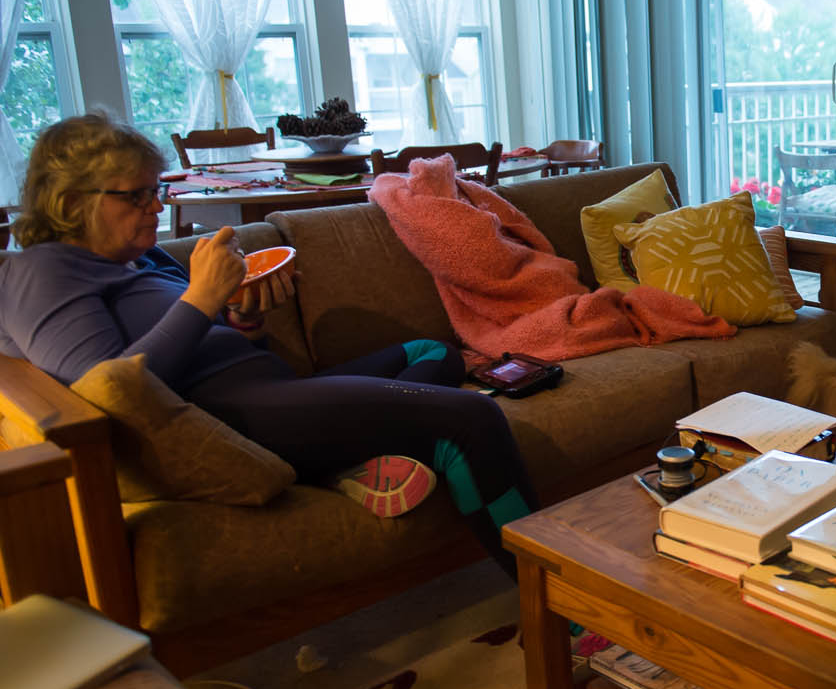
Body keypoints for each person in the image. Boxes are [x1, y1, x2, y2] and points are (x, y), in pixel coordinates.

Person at [0, 112, 535, 567]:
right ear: (70, 202)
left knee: (436, 353)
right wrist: (202, 298)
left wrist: (243, 319)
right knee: (471, 418)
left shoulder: (140, 258)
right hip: (235, 414)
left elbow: (209, 343)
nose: (157, 207)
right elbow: (109, 393)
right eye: (137, 196)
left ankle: (337, 460)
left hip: (275, 390)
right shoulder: (42, 273)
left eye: (156, 190)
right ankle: (569, 616)